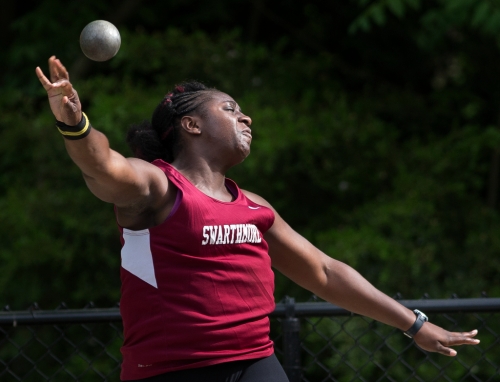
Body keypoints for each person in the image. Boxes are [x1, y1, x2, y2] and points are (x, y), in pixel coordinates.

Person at [36, 56, 479, 382]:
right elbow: (102, 166)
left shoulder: (254, 205)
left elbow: (324, 272)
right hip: (170, 370)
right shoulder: (158, 186)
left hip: (256, 365)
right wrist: (74, 122)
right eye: (229, 109)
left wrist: (414, 323)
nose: (245, 116)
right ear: (191, 126)